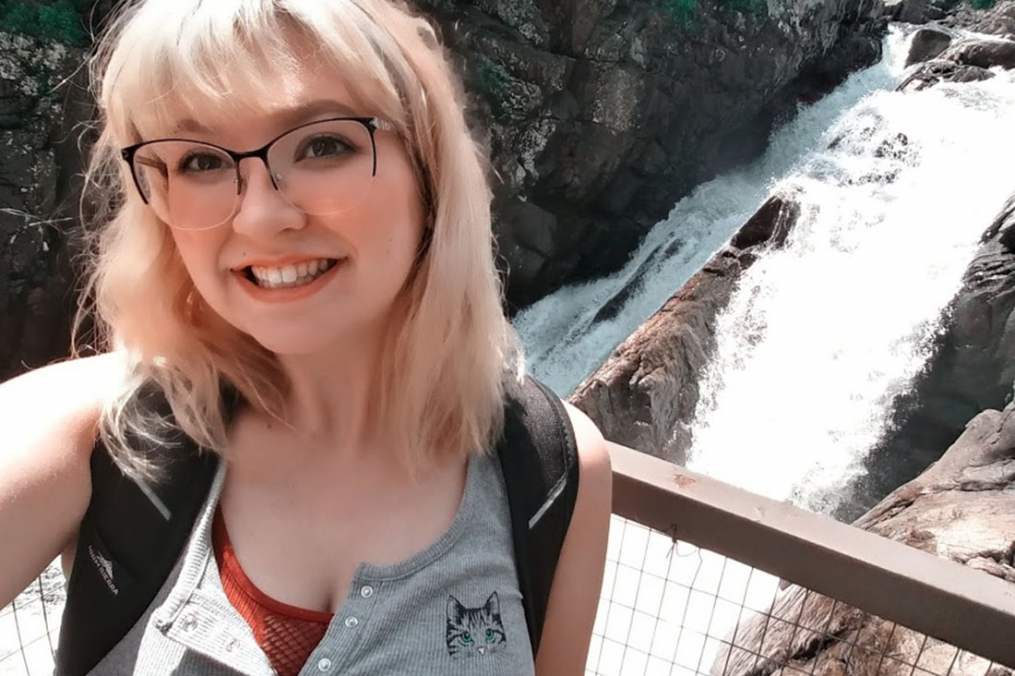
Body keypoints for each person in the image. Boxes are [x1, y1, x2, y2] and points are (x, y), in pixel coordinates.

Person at [0, 0, 612, 674]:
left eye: (324, 144)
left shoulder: (551, 471)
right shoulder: (101, 432)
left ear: (428, 174)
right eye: (201, 160)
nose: (260, 217)